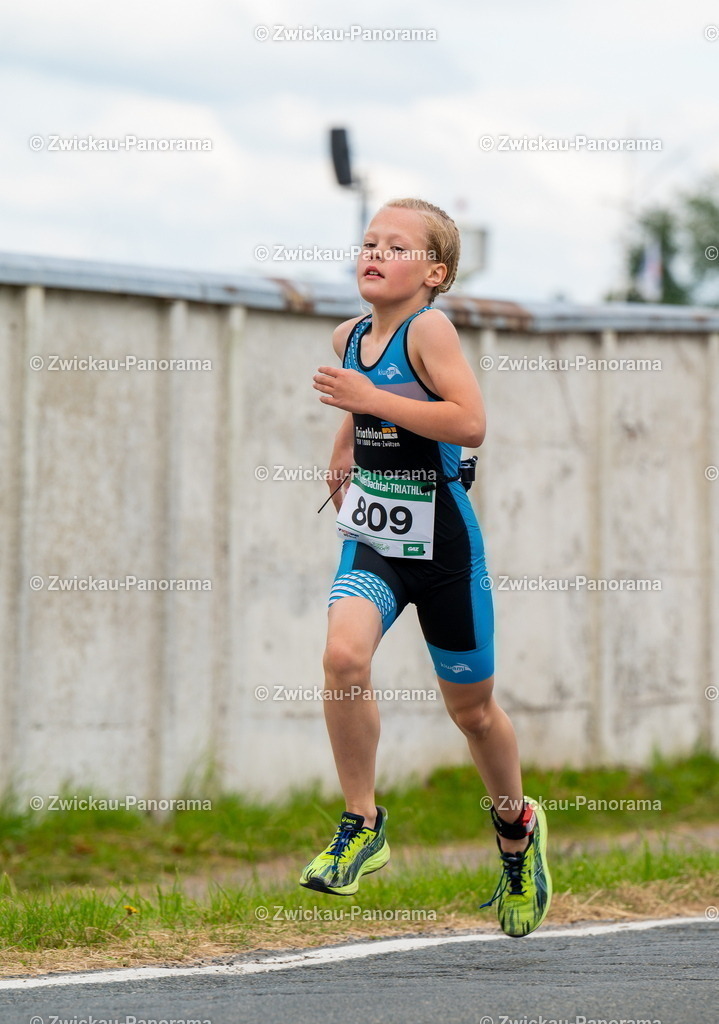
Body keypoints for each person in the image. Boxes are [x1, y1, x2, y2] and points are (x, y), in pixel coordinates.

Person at [299, 197, 551, 937]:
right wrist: (344, 443)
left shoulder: (430, 329)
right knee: (342, 657)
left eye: (396, 247)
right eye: (368, 241)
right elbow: (362, 399)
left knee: (471, 712)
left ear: (433, 272)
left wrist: (369, 398)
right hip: (374, 539)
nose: (373, 252)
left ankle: (515, 828)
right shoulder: (349, 334)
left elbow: (468, 423)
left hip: (443, 547)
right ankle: (362, 822)